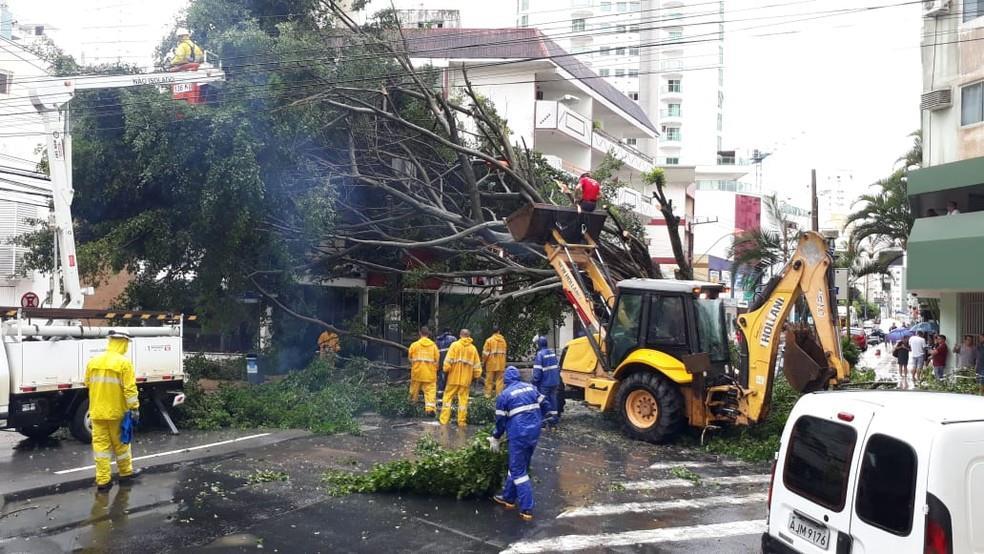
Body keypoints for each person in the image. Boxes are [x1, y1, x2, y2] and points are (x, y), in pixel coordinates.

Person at [85, 331, 140, 491]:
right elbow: (130, 389)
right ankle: (125, 473)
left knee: (101, 447)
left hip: (96, 412)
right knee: (121, 444)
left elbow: (87, 383)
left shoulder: (94, 361)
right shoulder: (124, 363)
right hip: (117, 412)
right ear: (122, 342)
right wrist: (134, 408)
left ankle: (103, 481)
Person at [488, 366, 543, 522]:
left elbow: (500, 421)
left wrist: (496, 437)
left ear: (505, 380)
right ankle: (509, 498)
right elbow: (544, 404)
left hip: (519, 435)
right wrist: (539, 420)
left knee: (518, 471)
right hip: (533, 433)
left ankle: (527, 508)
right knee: (519, 465)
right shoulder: (531, 388)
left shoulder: (504, 396)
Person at [439, 329, 482, 426]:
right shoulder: (473, 349)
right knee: (463, 401)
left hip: (453, 379)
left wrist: (446, 370)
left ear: (460, 335)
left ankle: (444, 420)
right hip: (465, 380)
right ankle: (461, 421)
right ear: (469, 336)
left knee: (447, 398)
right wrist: (477, 375)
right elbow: (477, 366)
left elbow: (447, 362)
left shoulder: (454, 345)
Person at [408, 326, 440, 416]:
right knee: (430, 392)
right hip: (429, 374)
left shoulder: (414, 345)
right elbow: (437, 360)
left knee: (414, 391)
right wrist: (435, 370)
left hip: (417, 373)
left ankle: (411, 407)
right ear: (428, 334)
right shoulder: (433, 346)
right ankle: (429, 409)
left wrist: (414, 365)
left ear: (420, 333)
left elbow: (410, 358)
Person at [532, 336, 561, 428]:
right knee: (553, 399)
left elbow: (537, 372)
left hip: (545, 383)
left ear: (539, 345)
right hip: (555, 382)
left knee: (542, 400)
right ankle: (554, 419)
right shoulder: (552, 353)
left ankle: (544, 421)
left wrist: (534, 382)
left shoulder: (540, 355)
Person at [482, 325, 508, 398]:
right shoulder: (503, 341)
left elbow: (485, 354)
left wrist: (483, 362)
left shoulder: (489, 340)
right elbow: (504, 352)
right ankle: (499, 396)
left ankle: (487, 395)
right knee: (499, 380)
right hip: (501, 364)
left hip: (491, 364)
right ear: (499, 331)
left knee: (489, 380)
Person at [435, 328, 456, 408]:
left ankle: (440, 399)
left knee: (441, 380)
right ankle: (449, 399)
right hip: (450, 363)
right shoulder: (453, 339)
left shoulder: (438, 340)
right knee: (449, 380)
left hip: (441, 362)